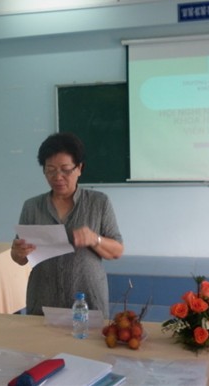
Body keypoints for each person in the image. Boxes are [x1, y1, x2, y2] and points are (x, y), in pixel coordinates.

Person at [11, 132, 124, 317]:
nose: (58, 177)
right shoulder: (32, 206)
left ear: (79, 168)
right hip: (43, 300)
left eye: (65, 169)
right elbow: (20, 258)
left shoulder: (99, 202)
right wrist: (18, 252)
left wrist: (94, 239)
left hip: (87, 300)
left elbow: (117, 250)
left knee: (87, 337)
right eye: (50, 170)